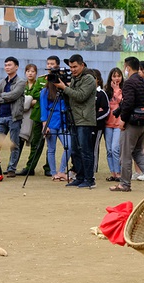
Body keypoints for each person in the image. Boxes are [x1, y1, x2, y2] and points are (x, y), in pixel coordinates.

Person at [109, 56, 144, 192]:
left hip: (133, 122)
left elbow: (129, 103)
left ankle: (124, 184)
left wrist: (123, 119)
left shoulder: (130, 82)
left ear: (128, 67)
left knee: (125, 154)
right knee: (138, 150)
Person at [54, 54, 97, 189]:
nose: (72, 69)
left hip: (84, 119)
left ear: (82, 65)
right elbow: (70, 96)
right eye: (71, 67)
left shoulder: (89, 79)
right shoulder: (74, 79)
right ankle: (80, 177)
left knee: (85, 150)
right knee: (75, 151)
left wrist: (64, 87)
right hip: (74, 118)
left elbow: (81, 96)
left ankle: (89, 179)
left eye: (75, 67)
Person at [0, 56, 26, 178]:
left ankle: (11, 168)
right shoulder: (2, 82)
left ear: (16, 67)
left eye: (10, 65)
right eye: (6, 65)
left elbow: (14, 95)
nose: (7, 67)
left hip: (14, 117)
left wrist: (2, 96)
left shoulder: (21, 82)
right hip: (2, 116)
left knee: (14, 144)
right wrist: (3, 97)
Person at [17, 64, 46, 176]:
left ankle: (30, 167)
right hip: (23, 118)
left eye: (33, 71)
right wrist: (30, 101)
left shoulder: (39, 83)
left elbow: (38, 97)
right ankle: (12, 166)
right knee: (18, 141)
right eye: (28, 71)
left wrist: (29, 100)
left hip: (36, 116)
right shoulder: (22, 85)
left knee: (36, 142)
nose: (30, 73)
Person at [40, 80, 71, 181]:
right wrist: (45, 124)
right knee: (51, 149)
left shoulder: (64, 90)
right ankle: (53, 173)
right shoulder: (45, 91)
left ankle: (61, 171)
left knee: (69, 146)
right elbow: (43, 108)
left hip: (63, 122)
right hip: (51, 122)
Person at [104, 67, 123, 182]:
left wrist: (116, 89)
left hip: (118, 124)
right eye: (114, 76)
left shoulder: (124, 89)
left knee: (115, 148)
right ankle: (113, 173)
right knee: (109, 150)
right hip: (108, 123)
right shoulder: (107, 90)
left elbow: (122, 101)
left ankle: (119, 172)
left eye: (118, 76)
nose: (116, 78)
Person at [91, 68, 110, 177]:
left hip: (97, 127)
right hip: (86, 126)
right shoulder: (86, 92)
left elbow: (106, 110)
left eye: (94, 78)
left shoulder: (101, 94)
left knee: (94, 147)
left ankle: (93, 170)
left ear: (98, 80)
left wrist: (94, 118)